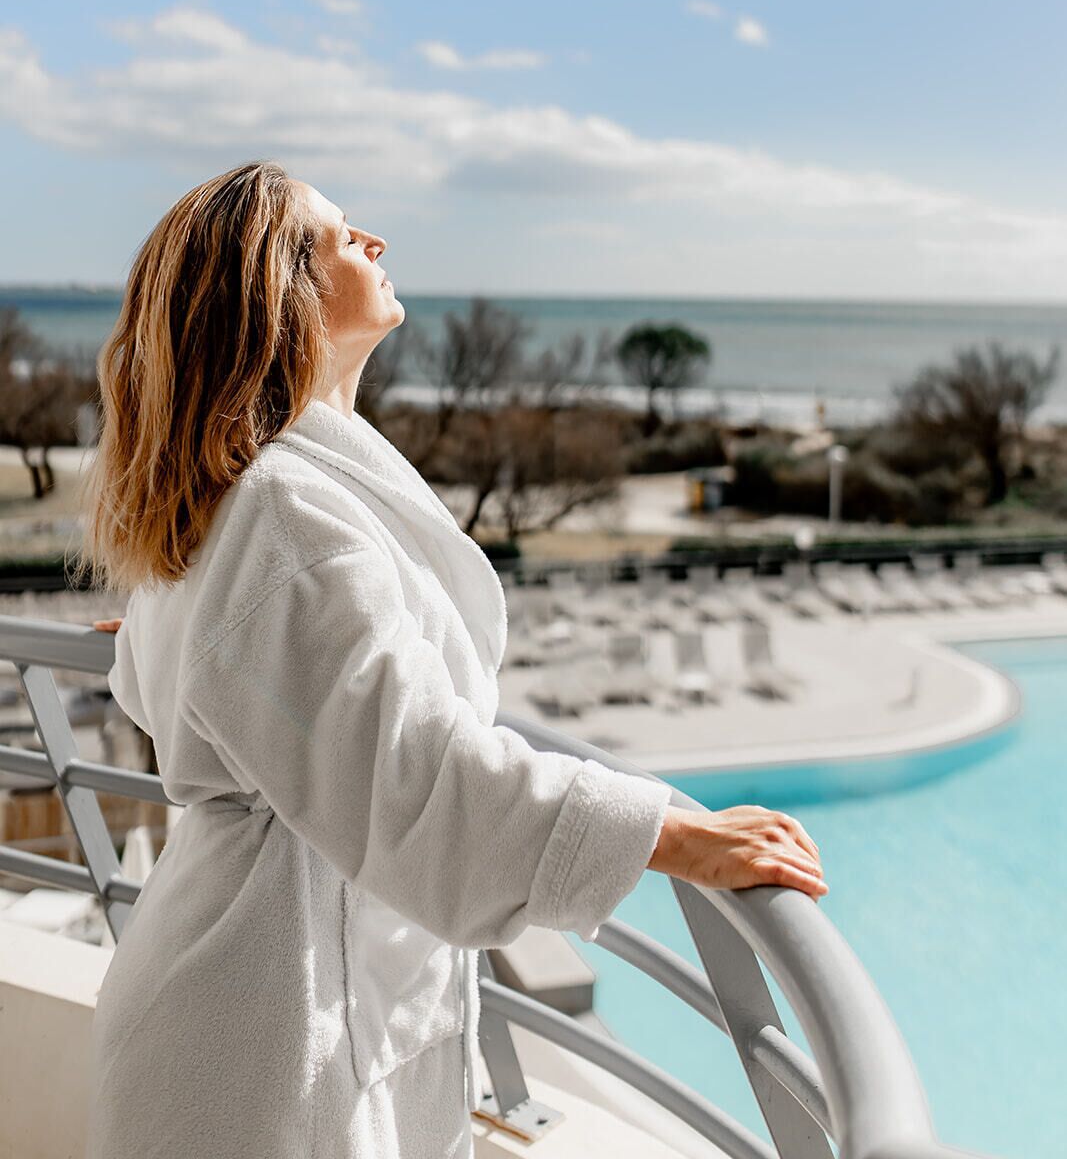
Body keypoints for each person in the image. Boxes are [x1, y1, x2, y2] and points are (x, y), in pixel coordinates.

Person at [82, 160, 826, 1159]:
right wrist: (664, 831)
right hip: (263, 1047)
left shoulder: (248, 497)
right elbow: (415, 777)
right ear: (282, 295)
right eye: (342, 235)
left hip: (251, 1001)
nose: (375, 242)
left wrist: (155, 644)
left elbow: (228, 674)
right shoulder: (285, 515)